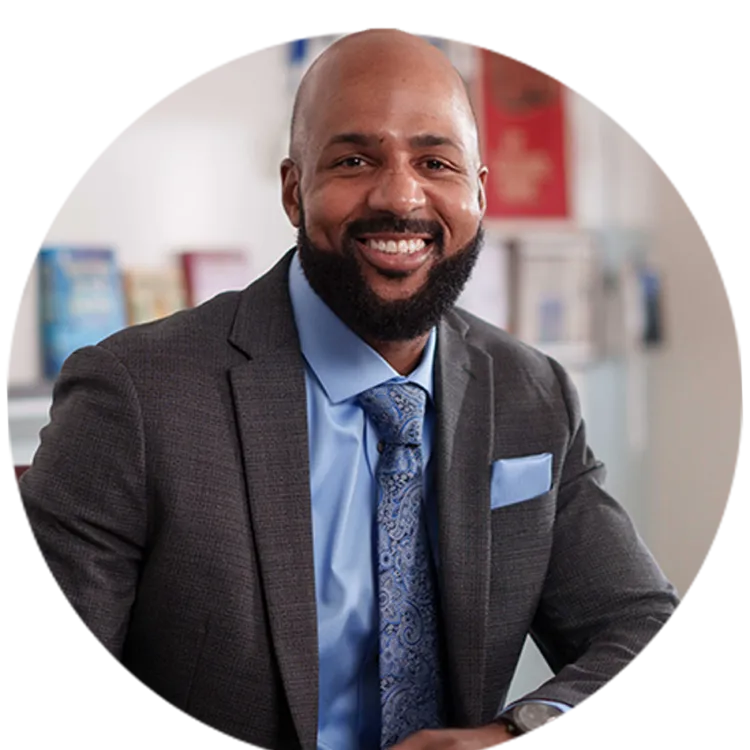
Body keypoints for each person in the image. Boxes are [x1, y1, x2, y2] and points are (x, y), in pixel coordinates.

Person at [16, 28, 681, 750]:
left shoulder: (532, 392)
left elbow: (640, 625)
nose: (400, 196)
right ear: (294, 188)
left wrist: (513, 733)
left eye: (436, 161)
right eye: (355, 159)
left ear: (479, 192)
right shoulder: (137, 398)